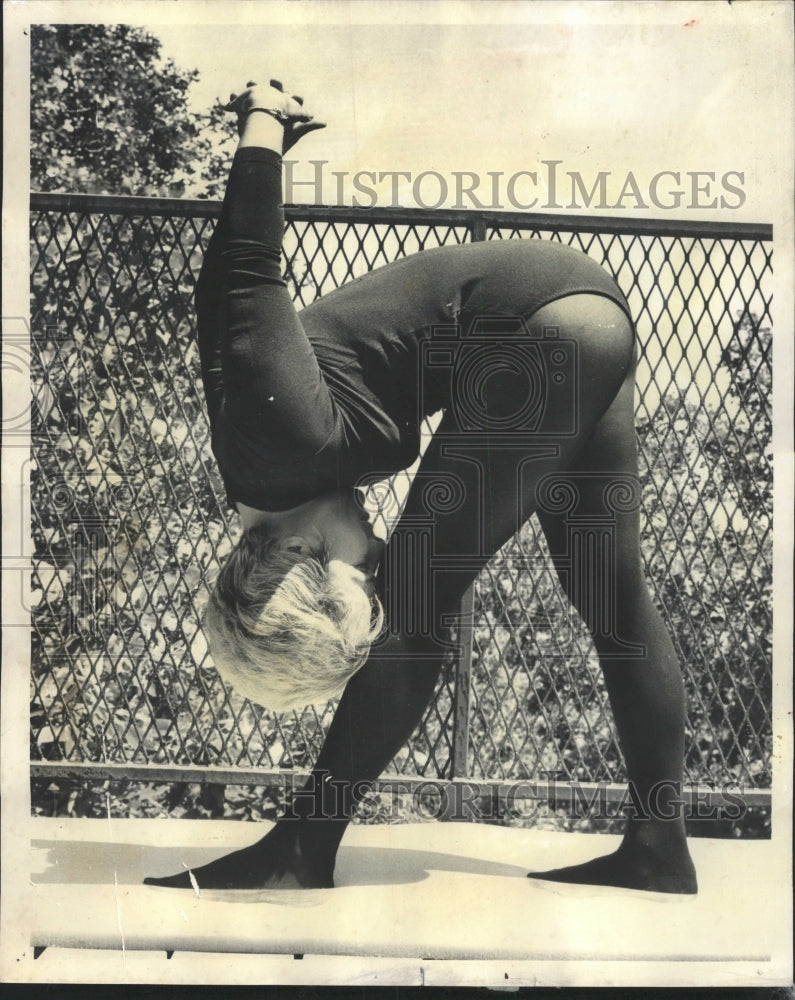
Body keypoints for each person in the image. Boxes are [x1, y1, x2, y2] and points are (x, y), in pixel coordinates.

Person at [144, 80, 697, 894]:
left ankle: (301, 851)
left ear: (295, 551)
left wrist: (259, 133)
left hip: (538, 329)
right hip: (577, 316)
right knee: (608, 590)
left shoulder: (277, 444)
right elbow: (214, 322)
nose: (370, 556)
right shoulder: (275, 466)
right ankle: (658, 848)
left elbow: (242, 281)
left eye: (349, 571)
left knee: (418, 600)